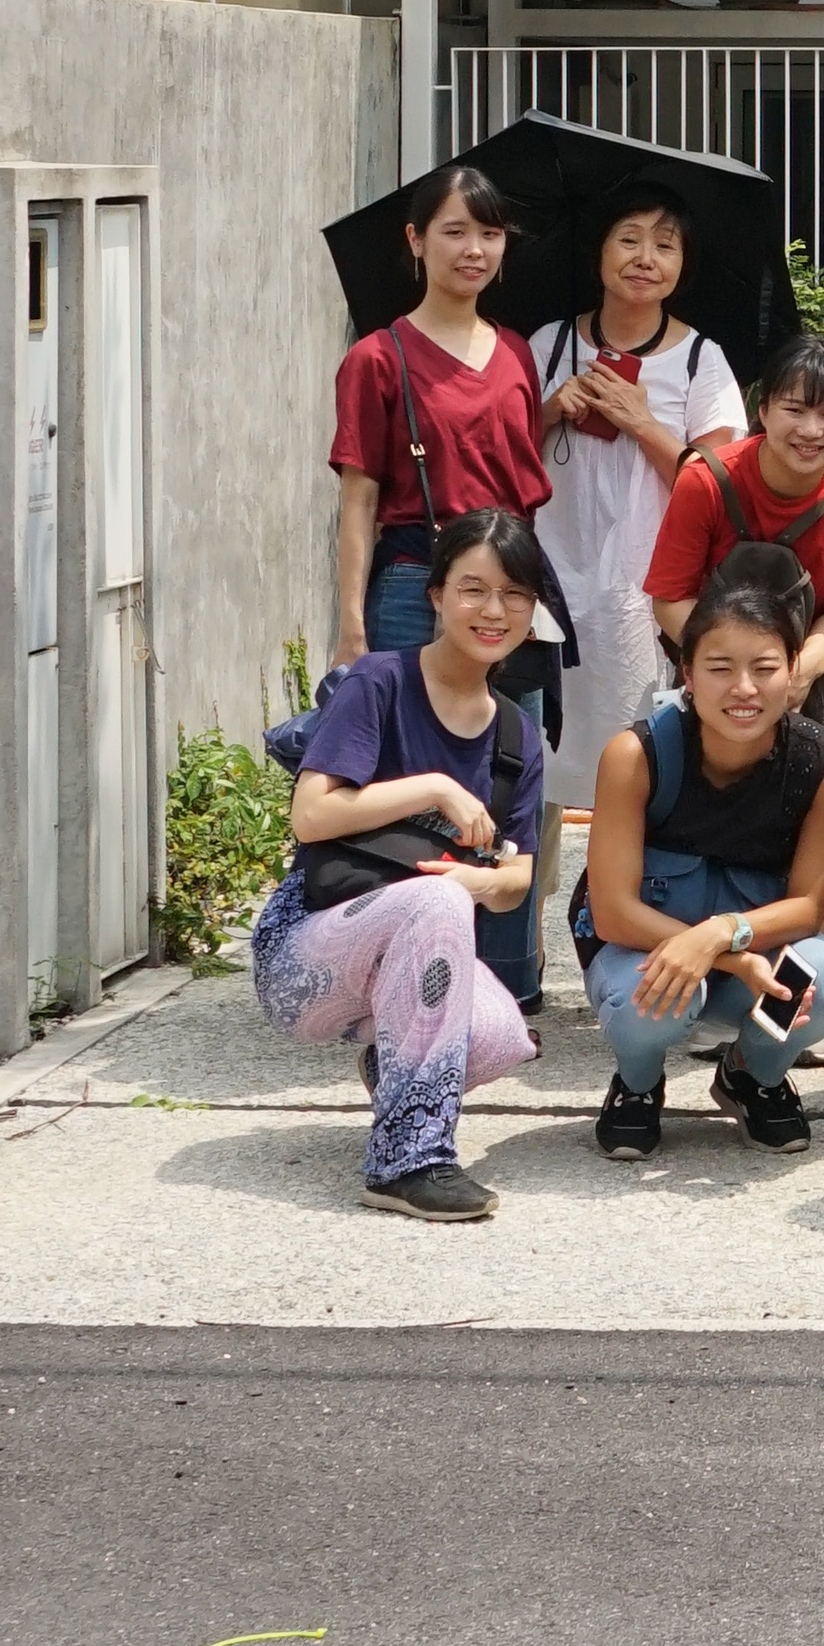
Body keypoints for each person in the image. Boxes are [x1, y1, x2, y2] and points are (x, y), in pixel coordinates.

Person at [249, 508, 548, 1223]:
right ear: (437, 595)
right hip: (306, 949)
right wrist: (435, 788)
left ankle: (397, 1068)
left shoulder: (516, 735)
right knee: (437, 903)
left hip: (417, 949)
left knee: (504, 1038)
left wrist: (478, 881)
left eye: (514, 594)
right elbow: (311, 814)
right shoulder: (378, 682)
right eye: (474, 589)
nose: (494, 610)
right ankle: (407, 1160)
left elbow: (518, 879)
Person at [329, 161, 559, 1004]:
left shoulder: (516, 352)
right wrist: (351, 626)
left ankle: (506, 983)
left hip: (510, 593)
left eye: (489, 233)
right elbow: (358, 498)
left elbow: (521, 485)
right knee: (401, 781)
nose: (474, 249)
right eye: (455, 231)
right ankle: (396, 977)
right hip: (412, 586)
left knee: (512, 775)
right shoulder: (376, 358)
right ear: (416, 241)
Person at [576, 549, 824, 1157]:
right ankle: (637, 1085)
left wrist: (719, 937)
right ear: (687, 671)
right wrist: (722, 953)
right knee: (649, 1006)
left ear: (794, 671)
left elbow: (810, 907)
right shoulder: (635, 757)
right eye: (720, 668)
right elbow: (612, 913)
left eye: (765, 667)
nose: (744, 689)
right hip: (643, 952)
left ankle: (752, 1076)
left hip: (752, 954)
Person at [526, 189, 745, 931]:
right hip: (547, 585)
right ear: (598, 252)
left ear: (683, 264)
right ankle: (521, 944)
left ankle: (633, 931)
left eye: (665, 243)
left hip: (644, 595)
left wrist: (641, 422)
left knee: (642, 761)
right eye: (628, 238)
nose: (645, 258)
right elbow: (502, 455)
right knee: (534, 763)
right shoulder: (549, 343)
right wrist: (551, 407)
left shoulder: (701, 360)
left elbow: (718, 487)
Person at [642, 330, 824, 726]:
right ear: (762, 411)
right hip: (710, 663)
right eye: (794, 410)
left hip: (814, 666)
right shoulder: (703, 481)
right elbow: (670, 599)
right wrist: (731, 667)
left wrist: (797, 672)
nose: (811, 430)